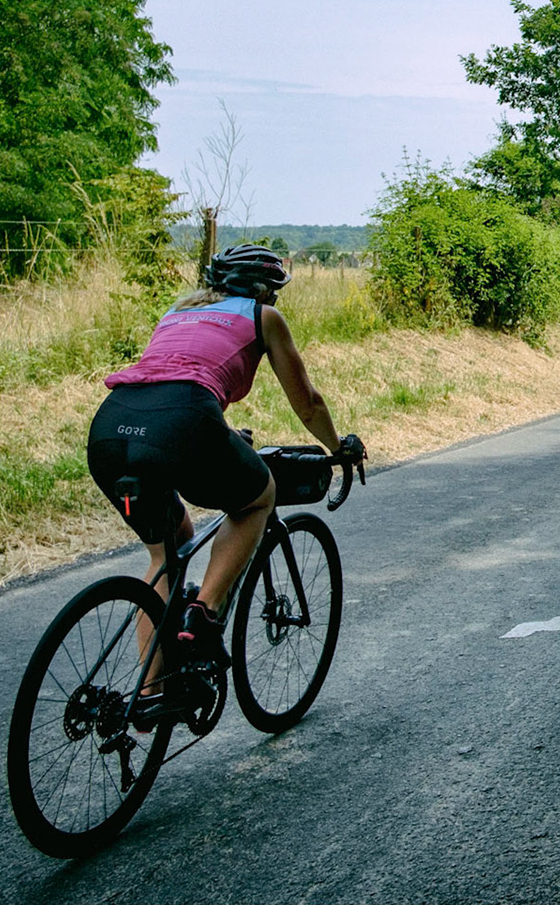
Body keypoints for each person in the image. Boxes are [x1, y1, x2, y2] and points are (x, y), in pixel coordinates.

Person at [86, 243, 359, 693]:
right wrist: (339, 447)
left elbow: (171, 382)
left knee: (166, 551)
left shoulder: (177, 312)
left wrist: (222, 435)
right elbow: (308, 404)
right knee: (257, 497)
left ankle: (148, 697)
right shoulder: (262, 317)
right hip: (186, 421)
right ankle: (205, 613)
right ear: (264, 290)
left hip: (112, 427)